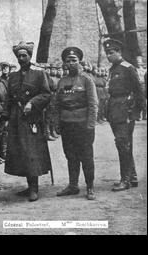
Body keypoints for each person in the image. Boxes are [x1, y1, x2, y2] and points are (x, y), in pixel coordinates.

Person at [5, 41, 52, 202]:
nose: (21, 58)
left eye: (24, 55)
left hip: (32, 119)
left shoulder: (39, 74)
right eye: (19, 56)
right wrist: (5, 117)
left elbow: (46, 94)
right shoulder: (12, 76)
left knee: (32, 152)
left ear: (30, 56)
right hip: (16, 119)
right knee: (21, 153)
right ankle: (28, 186)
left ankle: (34, 188)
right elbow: (9, 99)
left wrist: (32, 103)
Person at [54, 47, 98, 200]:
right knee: (70, 156)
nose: (71, 63)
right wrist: (58, 123)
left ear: (79, 62)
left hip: (83, 124)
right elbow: (57, 104)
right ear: (64, 63)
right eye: (68, 61)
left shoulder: (86, 80)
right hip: (67, 124)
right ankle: (73, 185)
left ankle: (90, 186)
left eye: (74, 60)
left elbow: (93, 104)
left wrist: (91, 124)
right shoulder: (62, 81)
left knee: (86, 156)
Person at [103, 39, 145, 191]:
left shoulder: (128, 68)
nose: (108, 56)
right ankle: (132, 177)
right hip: (115, 110)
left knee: (123, 144)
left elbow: (139, 91)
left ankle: (125, 180)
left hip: (125, 111)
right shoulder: (112, 69)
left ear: (119, 52)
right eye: (107, 53)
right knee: (124, 144)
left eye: (111, 53)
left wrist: (136, 111)